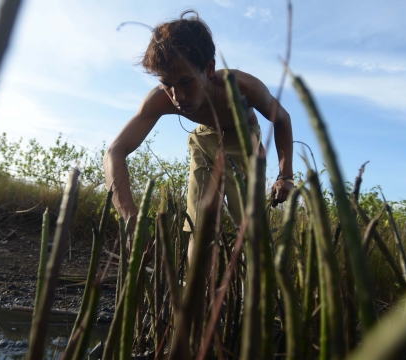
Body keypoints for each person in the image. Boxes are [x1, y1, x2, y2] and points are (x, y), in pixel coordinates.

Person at [103, 10, 295, 260]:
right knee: (200, 228)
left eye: (186, 81)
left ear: (209, 68)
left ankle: (256, 294)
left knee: (251, 231)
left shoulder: (242, 87)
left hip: (244, 138)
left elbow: (282, 118)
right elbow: (115, 152)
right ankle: (198, 293)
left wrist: (286, 176)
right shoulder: (160, 100)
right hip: (204, 139)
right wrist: (130, 219)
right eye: (167, 84)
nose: (177, 96)